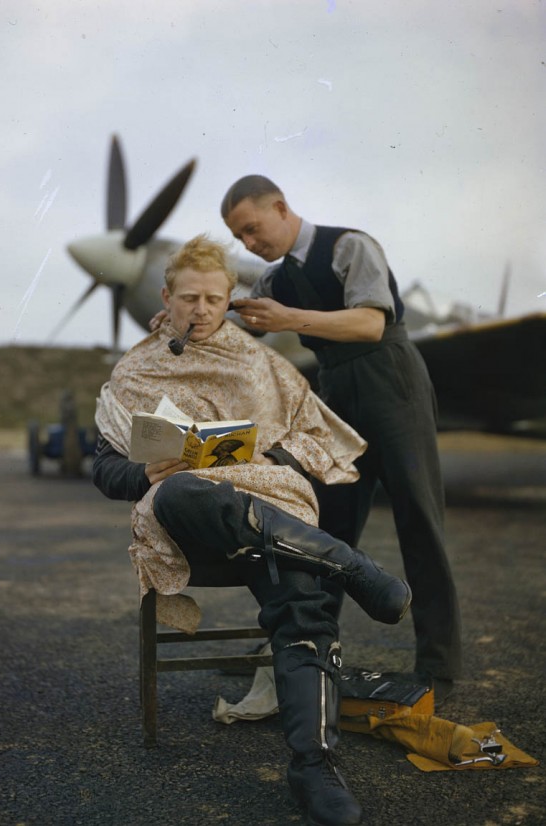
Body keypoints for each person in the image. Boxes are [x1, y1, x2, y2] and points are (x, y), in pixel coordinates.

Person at [92, 234, 412, 826]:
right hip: (185, 519)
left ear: (229, 298)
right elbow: (103, 467)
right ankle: (348, 563)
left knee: (304, 601)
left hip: (269, 511)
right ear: (167, 296)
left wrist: (264, 459)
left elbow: (315, 440)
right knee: (187, 489)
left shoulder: (262, 362)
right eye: (189, 298)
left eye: (215, 298)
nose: (202, 309)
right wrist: (144, 471)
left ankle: (314, 766)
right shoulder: (134, 370)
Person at [220, 176, 462, 706]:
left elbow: (371, 323)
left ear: (280, 208)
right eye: (239, 238)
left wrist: (291, 319)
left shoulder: (350, 246)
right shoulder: (275, 279)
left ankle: (438, 670)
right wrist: (188, 317)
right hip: (334, 393)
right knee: (326, 533)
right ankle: (310, 656)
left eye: (253, 230)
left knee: (418, 521)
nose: (249, 246)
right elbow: (240, 323)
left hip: (390, 382)